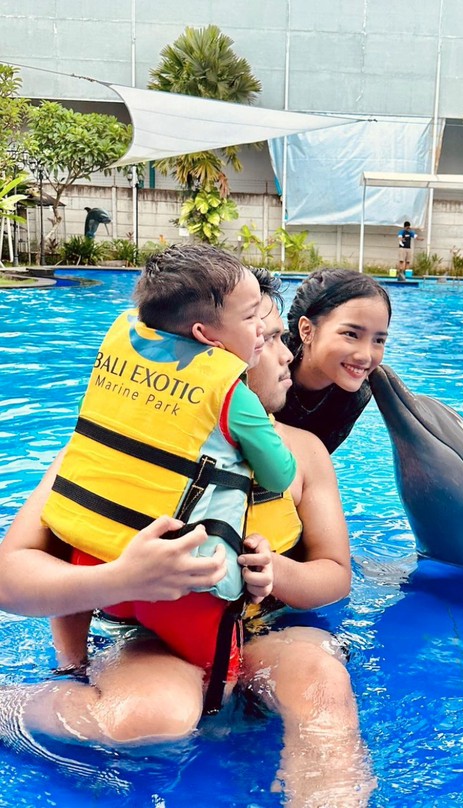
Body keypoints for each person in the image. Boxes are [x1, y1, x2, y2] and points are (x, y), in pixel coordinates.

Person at [0, 269, 372, 806]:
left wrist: (279, 574)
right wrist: (121, 578)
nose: (288, 355)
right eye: (267, 339)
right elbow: (10, 580)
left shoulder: (305, 453)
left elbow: (336, 576)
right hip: (155, 640)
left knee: (320, 685)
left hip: (270, 632)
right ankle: (13, 703)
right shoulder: (112, 452)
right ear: (212, 352)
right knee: (151, 719)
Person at [42, 244, 296, 712]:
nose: (260, 330)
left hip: (94, 564)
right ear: (207, 335)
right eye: (249, 319)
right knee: (217, 693)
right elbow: (280, 474)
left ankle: (70, 669)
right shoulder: (230, 394)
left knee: (83, 667)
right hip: (183, 586)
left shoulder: (122, 368)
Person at [276, 268, 392, 453]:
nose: (366, 355)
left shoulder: (355, 395)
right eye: (351, 334)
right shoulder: (266, 359)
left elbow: (312, 459)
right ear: (307, 330)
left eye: (379, 340)